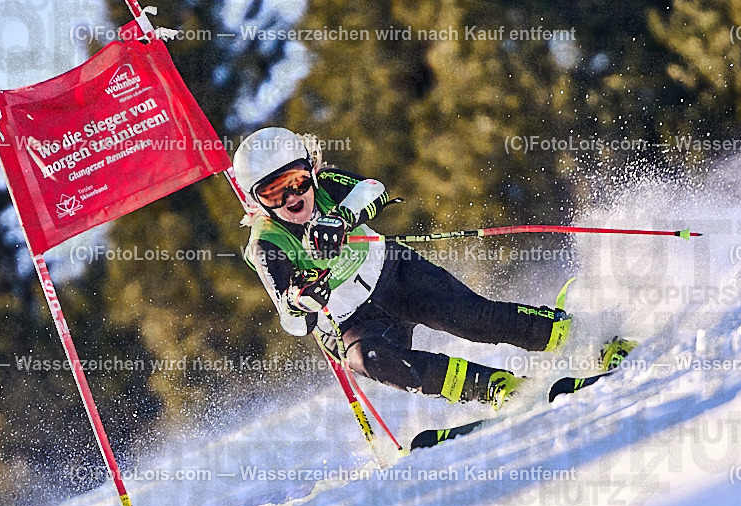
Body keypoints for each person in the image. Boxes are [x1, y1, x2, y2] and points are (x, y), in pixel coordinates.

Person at [234, 127, 573, 408]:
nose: (291, 198)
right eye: (273, 193)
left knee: (471, 317)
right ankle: (494, 387)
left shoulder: (326, 184)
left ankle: (564, 333)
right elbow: (293, 322)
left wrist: (342, 217)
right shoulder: (266, 243)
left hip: (394, 274)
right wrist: (301, 299)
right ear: (256, 200)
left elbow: (374, 190)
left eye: (296, 181)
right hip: (351, 324)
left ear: (311, 170)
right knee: (373, 360)